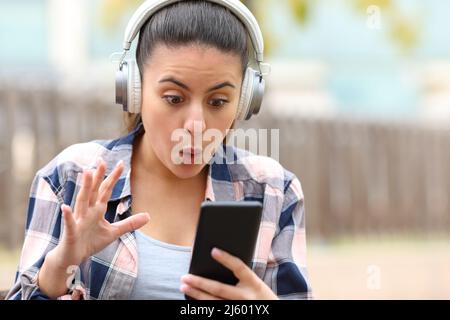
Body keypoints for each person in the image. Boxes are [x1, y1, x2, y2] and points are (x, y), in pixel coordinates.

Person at [7, 0, 311, 300]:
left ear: (244, 101)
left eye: (217, 102)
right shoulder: (70, 177)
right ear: (134, 90)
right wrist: (59, 266)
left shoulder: (273, 190)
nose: (196, 126)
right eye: (174, 98)